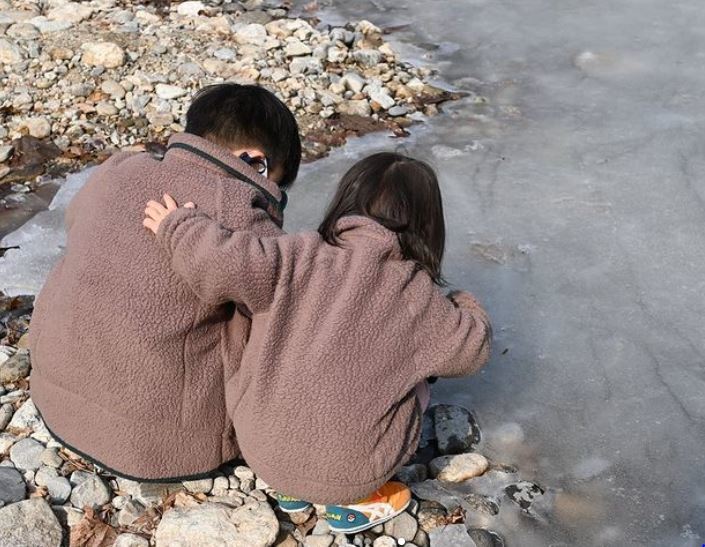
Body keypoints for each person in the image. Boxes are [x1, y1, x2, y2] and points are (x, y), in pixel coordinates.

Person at [141, 152, 491, 531]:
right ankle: (359, 502)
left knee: (263, 325)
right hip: (353, 473)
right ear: (428, 228)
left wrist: (178, 227)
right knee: (421, 380)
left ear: (345, 203)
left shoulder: (298, 253)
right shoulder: (419, 298)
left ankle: (291, 488)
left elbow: (222, 262)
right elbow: (473, 352)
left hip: (261, 450)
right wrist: (462, 302)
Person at [28, 83, 301, 480]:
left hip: (54, 397)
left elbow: (76, 225)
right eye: (277, 183)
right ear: (256, 163)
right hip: (156, 443)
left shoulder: (119, 170)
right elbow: (295, 307)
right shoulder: (243, 214)